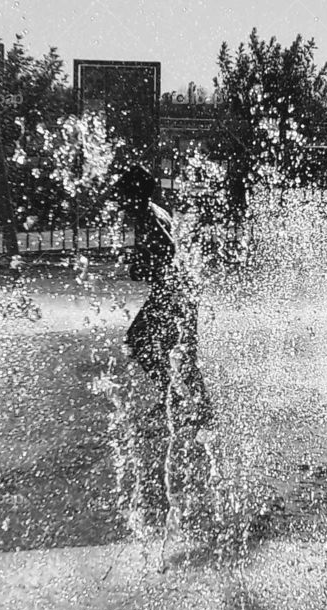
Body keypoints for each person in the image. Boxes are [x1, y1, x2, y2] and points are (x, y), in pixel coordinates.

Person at [114, 164, 214, 526]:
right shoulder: (152, 209)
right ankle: (192, 405)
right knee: (180, 353)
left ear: (133, 194)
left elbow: (167, 252)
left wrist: (140, 267)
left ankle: (177, 399)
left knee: (141, 341)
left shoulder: (148, 216)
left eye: (122, 192)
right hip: (177, 291)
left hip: (174, 292)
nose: (118, 200)